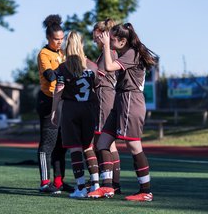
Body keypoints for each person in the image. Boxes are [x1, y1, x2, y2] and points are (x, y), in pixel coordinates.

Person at [87, 23, 157, 202]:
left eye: (112, 38)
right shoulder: (126, 52)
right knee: (102, 142)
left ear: (123, 41)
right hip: (120, 100)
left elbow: (109, 68)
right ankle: (107, 186)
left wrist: (106, 47)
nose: (107, 40)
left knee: (134, 146)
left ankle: (146, 191)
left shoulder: (131, 53)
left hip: (130, 101)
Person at [51, 31, 97, 198]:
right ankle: (96, 186)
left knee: (75, 148)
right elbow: (99, 88)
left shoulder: (63, 67)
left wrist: (54, 110)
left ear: (67, 46)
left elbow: (58, 91)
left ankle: (81, 188)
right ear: (82, 45)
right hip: (90, 109)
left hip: (71, 109)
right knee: (89, 147)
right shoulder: (92, 66)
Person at [36, 14, 73, 194]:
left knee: (61, 145)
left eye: (62, 39)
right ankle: (44, 182)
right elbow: (50, 76)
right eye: (56, 39)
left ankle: (59, 182)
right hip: (48, 101)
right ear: (48, 38)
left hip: (62, 101)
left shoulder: (62, 53)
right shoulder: (44, 53)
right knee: (47, 145)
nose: (60, 42)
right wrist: (67, 70)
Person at [92, 18, 121, 194]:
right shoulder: (107, 52)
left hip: (105, 96)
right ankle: (113, 184)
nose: (94, 39)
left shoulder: (108, 51)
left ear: (103, 34)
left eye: (95, 35)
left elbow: (99, 78)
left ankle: (108, 184)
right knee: (110, 143)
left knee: (102, 140)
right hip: (107, 96)